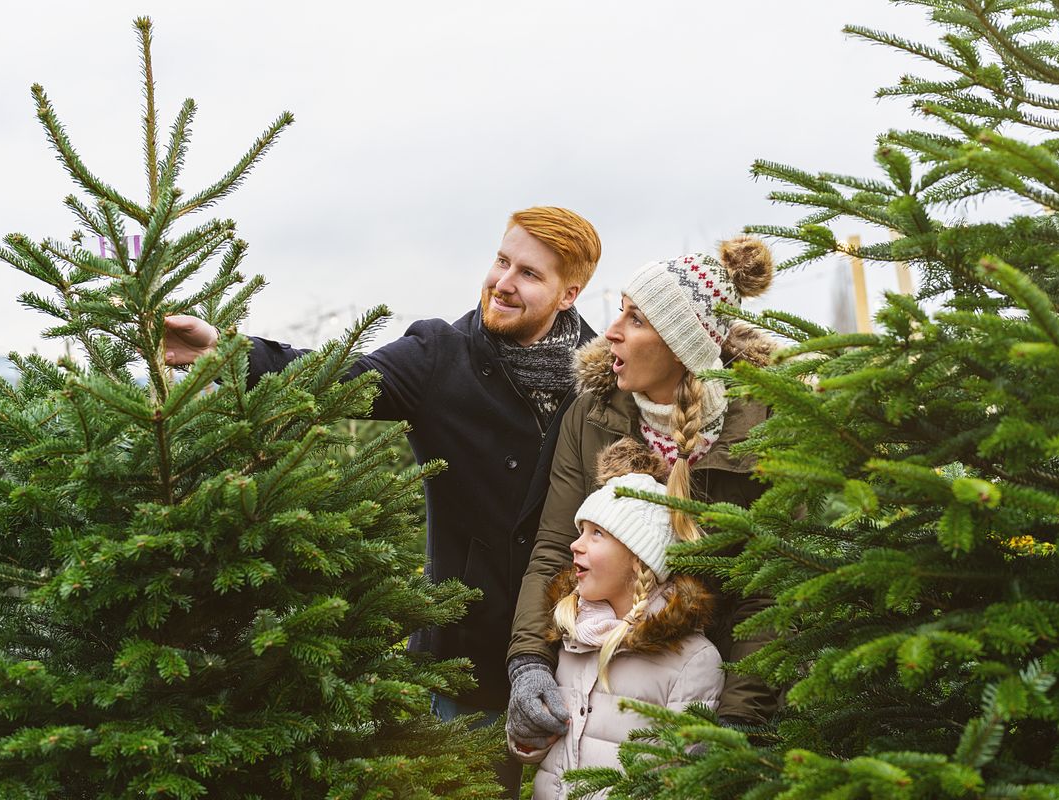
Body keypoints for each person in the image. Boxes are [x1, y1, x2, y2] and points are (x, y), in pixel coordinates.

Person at [163, 206, 602, 797]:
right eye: (502, 260)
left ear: (569, 294)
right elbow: (330, 377)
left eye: (529, 274)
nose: (503, 282)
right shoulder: (440, 355)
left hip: (578, 655)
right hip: (462, 660)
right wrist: (224, 349)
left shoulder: (601, 379)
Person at [506, 238, 781, 752]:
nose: (610, 332)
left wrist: (735, 725)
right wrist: (528, 663)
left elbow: (770, 593)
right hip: (603, 684)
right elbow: (552, 550)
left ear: (682, 345)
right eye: (620, 312)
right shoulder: (590, 416)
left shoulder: (764, 431)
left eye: (635, 319)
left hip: (709, 688)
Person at [509, 464, 723, 800]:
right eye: (581, 531)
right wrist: (526, 735)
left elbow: (684, 783)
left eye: (597, 533)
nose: (575, 545)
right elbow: (542, 754)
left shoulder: (693, 662)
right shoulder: (571, 636)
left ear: (638, 559)